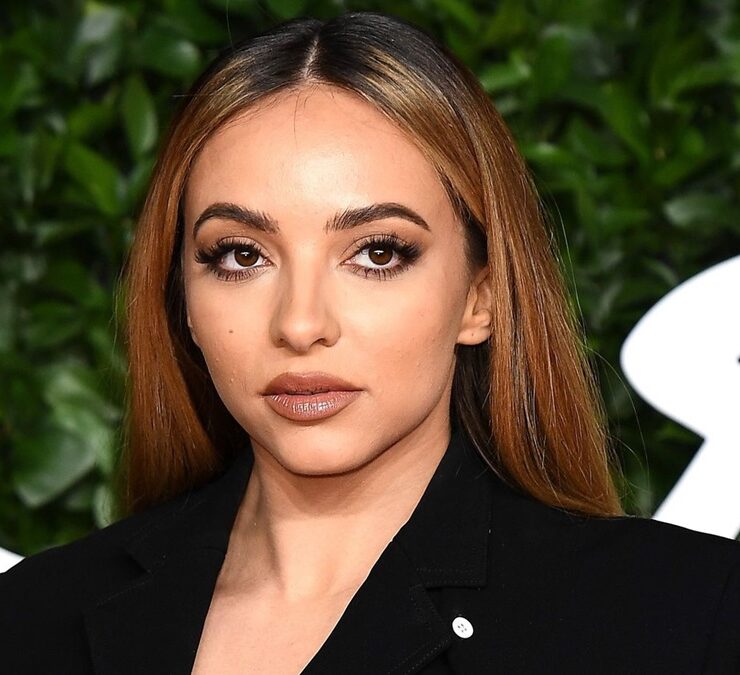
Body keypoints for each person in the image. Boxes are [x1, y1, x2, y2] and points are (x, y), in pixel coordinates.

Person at [1, 10, 739, 674]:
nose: (300, 324)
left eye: (378, 253)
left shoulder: (686, 616)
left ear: (480, 296)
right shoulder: (33, 618)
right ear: (184, 301)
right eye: (241, 255)